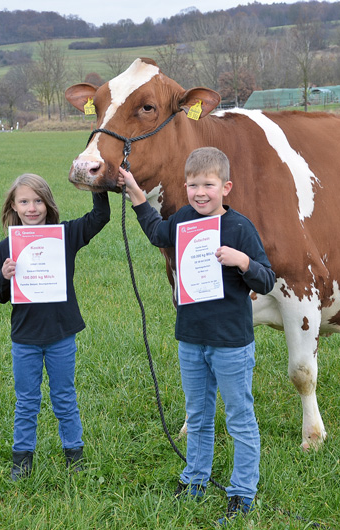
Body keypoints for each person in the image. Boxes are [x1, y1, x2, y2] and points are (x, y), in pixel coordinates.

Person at [117, 147, 275, 525]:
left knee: (239, 419)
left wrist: (242, 261)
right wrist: (137, 194)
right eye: (192, 185)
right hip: (191, 338)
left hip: (231, 343)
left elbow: (267, 280)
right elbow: (157, 232)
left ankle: (242, 492)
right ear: (185, 186)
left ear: (226, 187)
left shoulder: (240, 228)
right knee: (198, 416)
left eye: (208, 185)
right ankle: (195, 480)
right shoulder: (184, 219)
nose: (200, 193)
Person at [0, 173, 110, 481]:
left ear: (48, 204)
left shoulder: (65, 235)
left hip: (61, 335)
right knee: (27, 401)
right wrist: (4, 276)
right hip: (25, 338)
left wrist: (96, 180)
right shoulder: (7, 247)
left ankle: (74, 456)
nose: (32, 208)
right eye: (24, 202)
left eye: (38, 201)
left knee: (64, 397)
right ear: (13, 206)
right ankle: (22, 461)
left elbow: (100, 217)